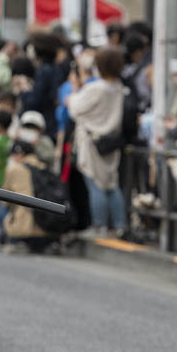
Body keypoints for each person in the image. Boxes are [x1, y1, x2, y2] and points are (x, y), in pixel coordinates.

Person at [68, 47, 127, 236]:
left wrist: (74, 91)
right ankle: (119, 224)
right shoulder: (119, 87)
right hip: (111, 141)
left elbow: (75, 108)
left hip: (92, 141)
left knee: (95, 183)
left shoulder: (96, 88)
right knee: (111, 183)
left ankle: (98, 225)